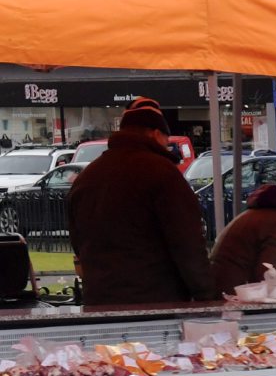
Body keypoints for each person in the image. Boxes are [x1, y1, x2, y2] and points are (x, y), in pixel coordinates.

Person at [68, 97, 216, 305]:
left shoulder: (87, 176)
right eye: (166, 140)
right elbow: (188, 244)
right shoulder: (163, 173)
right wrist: (208, 297)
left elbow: (78, 241)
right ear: (156, 134)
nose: (167, 146)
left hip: (99, 301)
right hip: (155, 303)